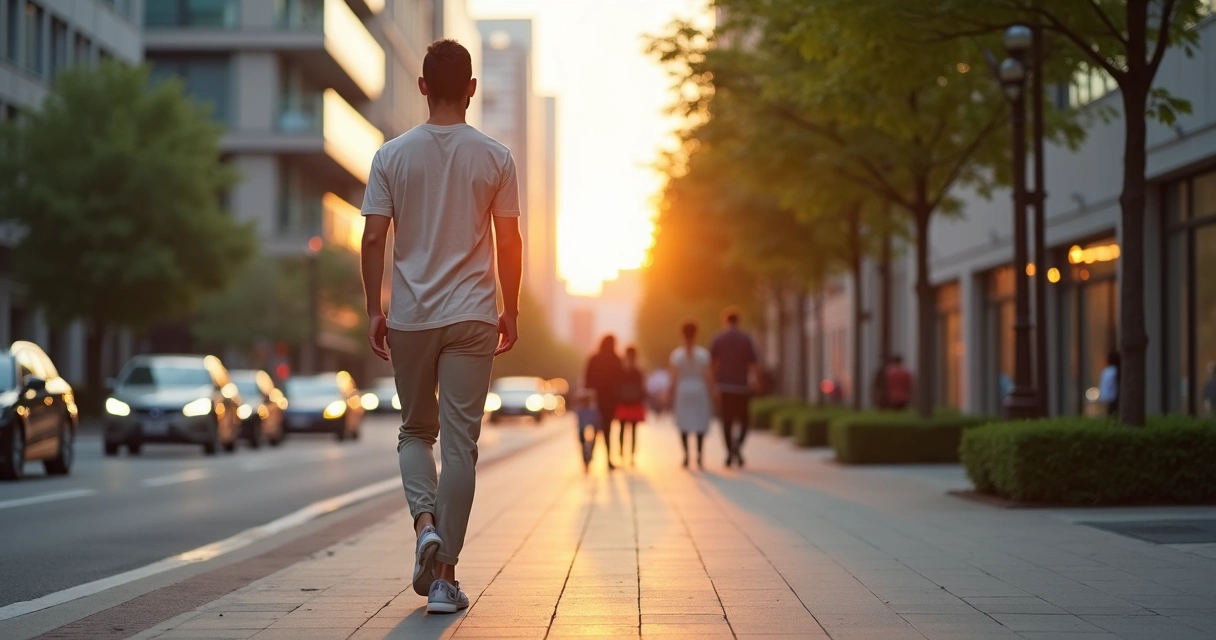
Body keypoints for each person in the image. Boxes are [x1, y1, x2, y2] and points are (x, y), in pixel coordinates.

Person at [359, 39, 522, 615]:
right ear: (472, 88)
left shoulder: (391, 156)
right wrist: (511, 308)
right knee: (460, 448)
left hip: (411, 316)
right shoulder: (496, 157)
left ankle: (424, 525)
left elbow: (373, 237)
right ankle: (445, 578)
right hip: (474, 314)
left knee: (414, 432)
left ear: (423, 86)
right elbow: (509, 241)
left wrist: (374, 309)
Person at [710, 308, 759, 468]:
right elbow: (752, 363)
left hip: (724, 386)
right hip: (741, 386)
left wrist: (714, 385)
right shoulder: (745, 339)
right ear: (738, 321)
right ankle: (737, 445)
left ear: (725, 321)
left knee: (727, 421)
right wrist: (754, 380)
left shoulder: (718, 339)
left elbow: (712, 365)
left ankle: (730, 452)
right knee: (745, 419)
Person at [671, 321, 715, 469]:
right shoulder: (703, 354)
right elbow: (708, 376)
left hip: (683, 390)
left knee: (683, 423)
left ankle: (686, 455)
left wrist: (670, 393)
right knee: (699, 423)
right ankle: (699, 455)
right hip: (699, 390)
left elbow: (673, 378)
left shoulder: (677, 355)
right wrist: (712, 391)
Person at [585, 335, 623, 470]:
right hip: (610, 400)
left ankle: (589, 455)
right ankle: (608, 459)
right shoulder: (616, 359)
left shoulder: (594, 359)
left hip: (596, 399)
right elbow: (620, 379)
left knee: (595, 428)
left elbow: (587, 380)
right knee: (607, 429)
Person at [616, 346, 646, 464]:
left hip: (624, 402)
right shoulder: (638, 371)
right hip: (634, 402)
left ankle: (622, 452)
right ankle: (631, 455)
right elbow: (642, 388)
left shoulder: (622, 370)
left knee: (622, 428)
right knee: (633, 430)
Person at [572, 389, 599, 471]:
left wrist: (596, 428)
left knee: (591, 443)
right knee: (583, 445)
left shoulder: (592, 410)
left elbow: (596, 420)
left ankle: (589, 457)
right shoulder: (580, 410)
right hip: (582, 429)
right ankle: (585, 461)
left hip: (591, 429)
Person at [1099, 350, 1120, 416]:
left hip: (1112, 399)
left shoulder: (1109, 371)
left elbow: (1106, 387)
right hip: (1114, 399)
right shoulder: (1116, 370)